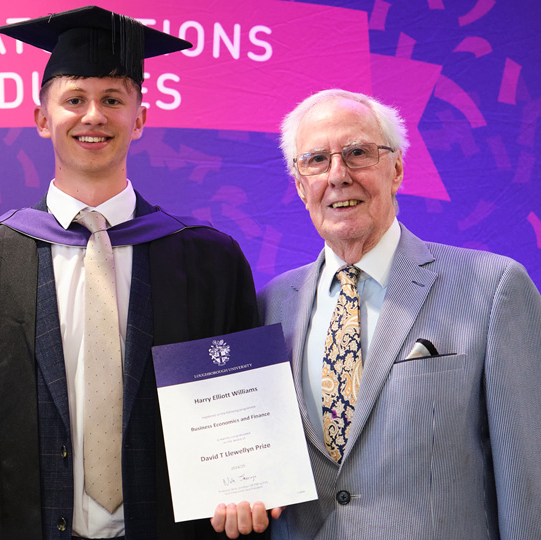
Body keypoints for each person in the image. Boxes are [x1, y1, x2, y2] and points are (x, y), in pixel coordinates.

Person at [0, 6, 260, 540]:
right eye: (74, 100)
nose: (93, 116)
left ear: (139, 118)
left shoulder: (208, 263)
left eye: (113, 100)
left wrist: (249, 486)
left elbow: (245, 421)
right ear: (42, 119)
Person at [230, 88, 541, 539]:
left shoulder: (493, 288)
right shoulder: (268, 306)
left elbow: (527, 479)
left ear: (396, 169)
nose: (338, 175)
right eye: (316, 160)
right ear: (300, 186)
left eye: (357, 153)